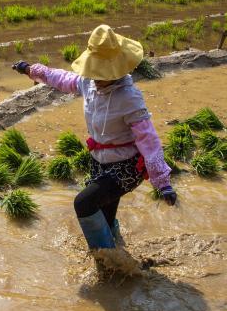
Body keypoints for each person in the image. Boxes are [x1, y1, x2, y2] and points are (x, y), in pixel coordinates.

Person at [12, 24, 177, 258]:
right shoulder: (88, 83)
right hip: (100, 163)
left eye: (102, 75)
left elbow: (148, 140)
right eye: (95, 72)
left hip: (126, 167)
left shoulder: (129, 99)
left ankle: (108, 261)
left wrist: (163, 183)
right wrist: (31, 69)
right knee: (104, 215)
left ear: (116, 71)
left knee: (84, 204)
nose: (96, 79)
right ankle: (117, 250)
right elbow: (62, 79)